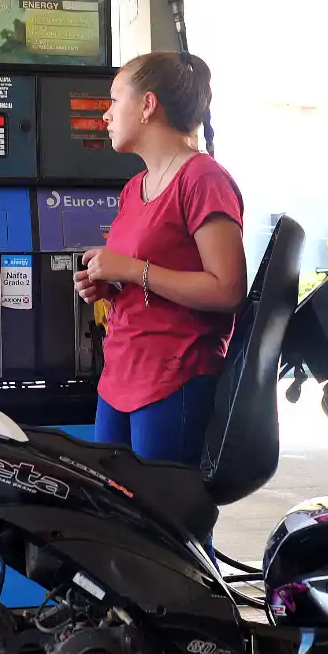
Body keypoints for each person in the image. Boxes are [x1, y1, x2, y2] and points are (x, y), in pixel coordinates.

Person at [74, 51, 247, 556]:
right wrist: (109, 285)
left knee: (171, 538)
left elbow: (227, 289)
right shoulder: (135, 188)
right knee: (117, 529)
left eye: (114, 100)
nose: (106, 114)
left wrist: (132, 270)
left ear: (147, 105)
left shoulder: (203, 179)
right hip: (120, 378)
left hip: (174, 379)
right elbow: (148, 279)